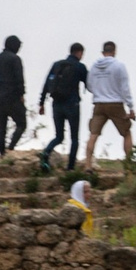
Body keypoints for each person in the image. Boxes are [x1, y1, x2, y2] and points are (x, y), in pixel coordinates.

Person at [36, 42, 90, 173]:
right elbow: (89, 84)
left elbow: (46, 84)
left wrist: (42, 103)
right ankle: (70, 167)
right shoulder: (80, 67)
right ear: (80, 53)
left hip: (57, 105)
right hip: (72, 105)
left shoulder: (56, 65)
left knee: (59, 136)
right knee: (74, 138)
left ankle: (47, 152)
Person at [85, 41, 135, 169]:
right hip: (115, 103)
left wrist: (99, 92)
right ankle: (129, 165)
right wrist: (131, 107)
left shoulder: (94, 66)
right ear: (114, 52)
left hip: (98, 104)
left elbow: (89, 85)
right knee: (126, 132)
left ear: (103, 52)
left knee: (93, 134)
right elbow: (125, 88)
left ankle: (88, 165)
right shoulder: (119, 66)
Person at [0, 36, 26, 157]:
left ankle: (2, 152)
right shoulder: (15, 59)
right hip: (13, 98)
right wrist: (21, 95)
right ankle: (10, 148)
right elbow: (19, 79)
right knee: (22, 124)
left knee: (1, 126)